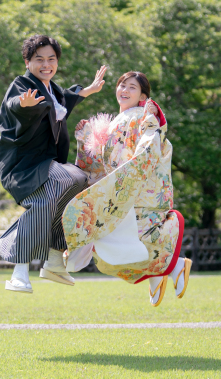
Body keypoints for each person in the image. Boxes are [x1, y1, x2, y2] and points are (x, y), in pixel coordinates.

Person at [62, 71, 190, 307]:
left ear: (142, 96)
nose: (125, 90)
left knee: (135, 240)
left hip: (139, 187)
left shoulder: (142, 114)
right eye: (122, 85)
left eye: (132, 87)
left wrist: (134, 170)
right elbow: (96, 164)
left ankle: (176, 266)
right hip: (119, 190)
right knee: (110, 252)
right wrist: (86, 138)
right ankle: (160, 274)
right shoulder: (113, 123)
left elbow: (153, 139)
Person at [0, 34, 107, 293]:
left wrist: (87, 91)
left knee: (80, 180)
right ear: (27, 61)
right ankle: (18, 270)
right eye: (39, 60)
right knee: (60, 186)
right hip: (23, 166)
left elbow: (64, 99)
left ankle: (55, 259)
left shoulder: (52, 89)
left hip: (47, 166)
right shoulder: (21, 85)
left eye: (51, 59)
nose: (46, 64)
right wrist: (23, 105)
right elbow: (15, 104)